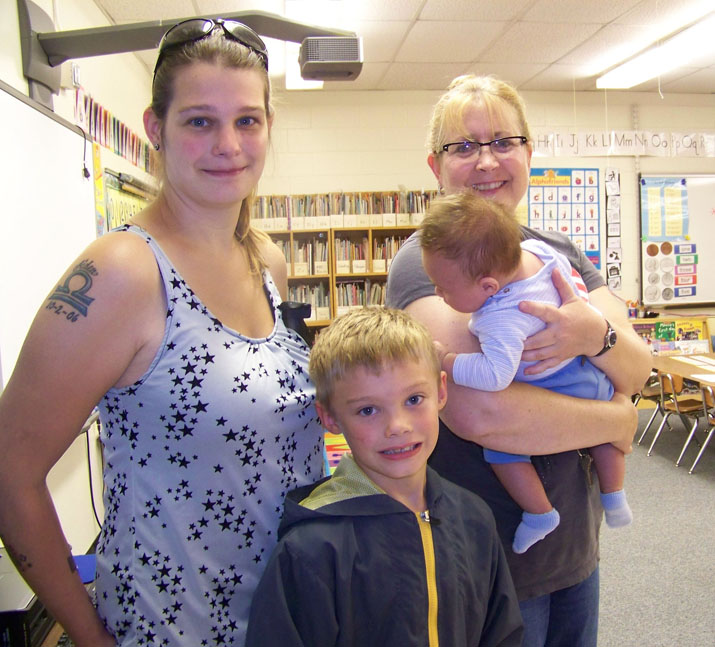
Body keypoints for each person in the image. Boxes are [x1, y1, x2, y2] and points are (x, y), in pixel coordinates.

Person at [0, 19, 324, 647]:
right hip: (173, 628)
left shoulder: (266, 262)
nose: (229, 144)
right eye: (200, 121)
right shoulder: (123, 272)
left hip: (287, 615)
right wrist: (91, 638)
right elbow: (10, 471)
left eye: (248, 120)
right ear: (157, 128)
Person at [385, 74, 650, 647]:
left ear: (528, 153)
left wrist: (594, 336)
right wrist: (620, 420)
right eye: (464, 146)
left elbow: (637, 368)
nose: (486, 162)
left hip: (574, 540)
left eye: (503, 142)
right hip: (491, 553)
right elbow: (484, 412)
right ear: (436, 167)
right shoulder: (427, 263)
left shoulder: (559, 251)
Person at [245, 307, 524, 647]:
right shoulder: (311, 550)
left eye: (413, 399)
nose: (397, 427)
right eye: (368, 410)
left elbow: (501, 633)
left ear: (440, 392)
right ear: (330, 417)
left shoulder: (473, 518)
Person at [420, 192, 633, 555]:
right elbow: (575, 285)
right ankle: (614, 496)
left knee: (502, 453)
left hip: (551, 383)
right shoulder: (539, 251)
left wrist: (449, 361)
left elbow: (495, 376)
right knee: (606, 429)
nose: (438, 293)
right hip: (587, 374)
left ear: (488, 286)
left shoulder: (501, 317)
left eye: (443, 289)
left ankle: (539, 513)